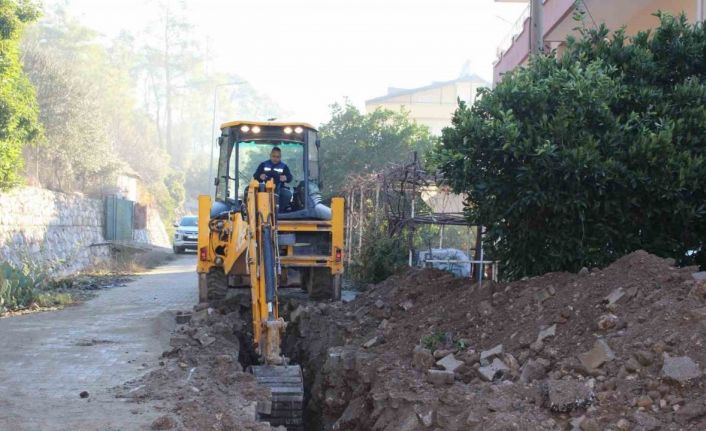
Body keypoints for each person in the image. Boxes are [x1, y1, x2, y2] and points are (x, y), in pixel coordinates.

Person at [253, 147, 293, 211]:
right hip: (264, 188)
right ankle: (260, 211)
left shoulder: (284, 166)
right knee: (252, 193)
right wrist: (260, 176)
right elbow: (255, 175)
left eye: (278, 157)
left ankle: (279, 211)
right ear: (270, 155)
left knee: (287, 194)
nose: (275, 159)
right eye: (274, 156)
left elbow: (290, 177)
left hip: (279, 188)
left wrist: (286, 178)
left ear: (280, 157)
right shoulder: (263, 165)